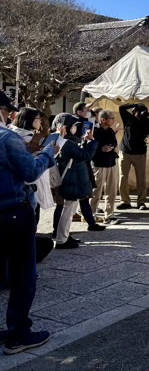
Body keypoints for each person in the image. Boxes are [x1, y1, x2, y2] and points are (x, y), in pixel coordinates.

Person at [0, 114, 57, 354]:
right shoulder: (6, 138)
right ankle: (19, 333)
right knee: (23, 275)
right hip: (11, 212)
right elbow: (30, 171)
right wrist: (47, 152)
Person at [53, 113, 101, 249]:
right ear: (66, 127)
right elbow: (84, 155)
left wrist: (85, 142)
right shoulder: (66, 142)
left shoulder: (66, 141)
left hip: (72, 179)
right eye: (73, 126)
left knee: (68, 210)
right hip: (71, 180)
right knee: (67, 211)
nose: (75, 128)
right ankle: (62, 239)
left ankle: (64, 236)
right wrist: (91, 142)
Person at [117, 103, 149, 210]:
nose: (142, 113)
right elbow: (121, 107)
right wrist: (134, 105)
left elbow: (147, 131)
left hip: (140, 153)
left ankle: (141, 202)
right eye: (140, 111)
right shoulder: (129, 119)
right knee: (123, 177)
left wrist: (141, 118)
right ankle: (125, 201)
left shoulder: (148, 121)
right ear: (134, 112)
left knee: (141, 178)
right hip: (125, 151)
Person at [90, 110, 121, 224]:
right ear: (103, 119)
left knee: (111, 191)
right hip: (98, 164)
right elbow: (90, 147)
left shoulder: (111, 132)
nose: (113, 121)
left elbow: (114, 143)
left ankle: (109, 215)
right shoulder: (95, 131)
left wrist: (111, 148)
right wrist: (101, 149)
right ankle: (91, 215)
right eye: (111, 118)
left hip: (111, 163)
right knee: (96, 192)